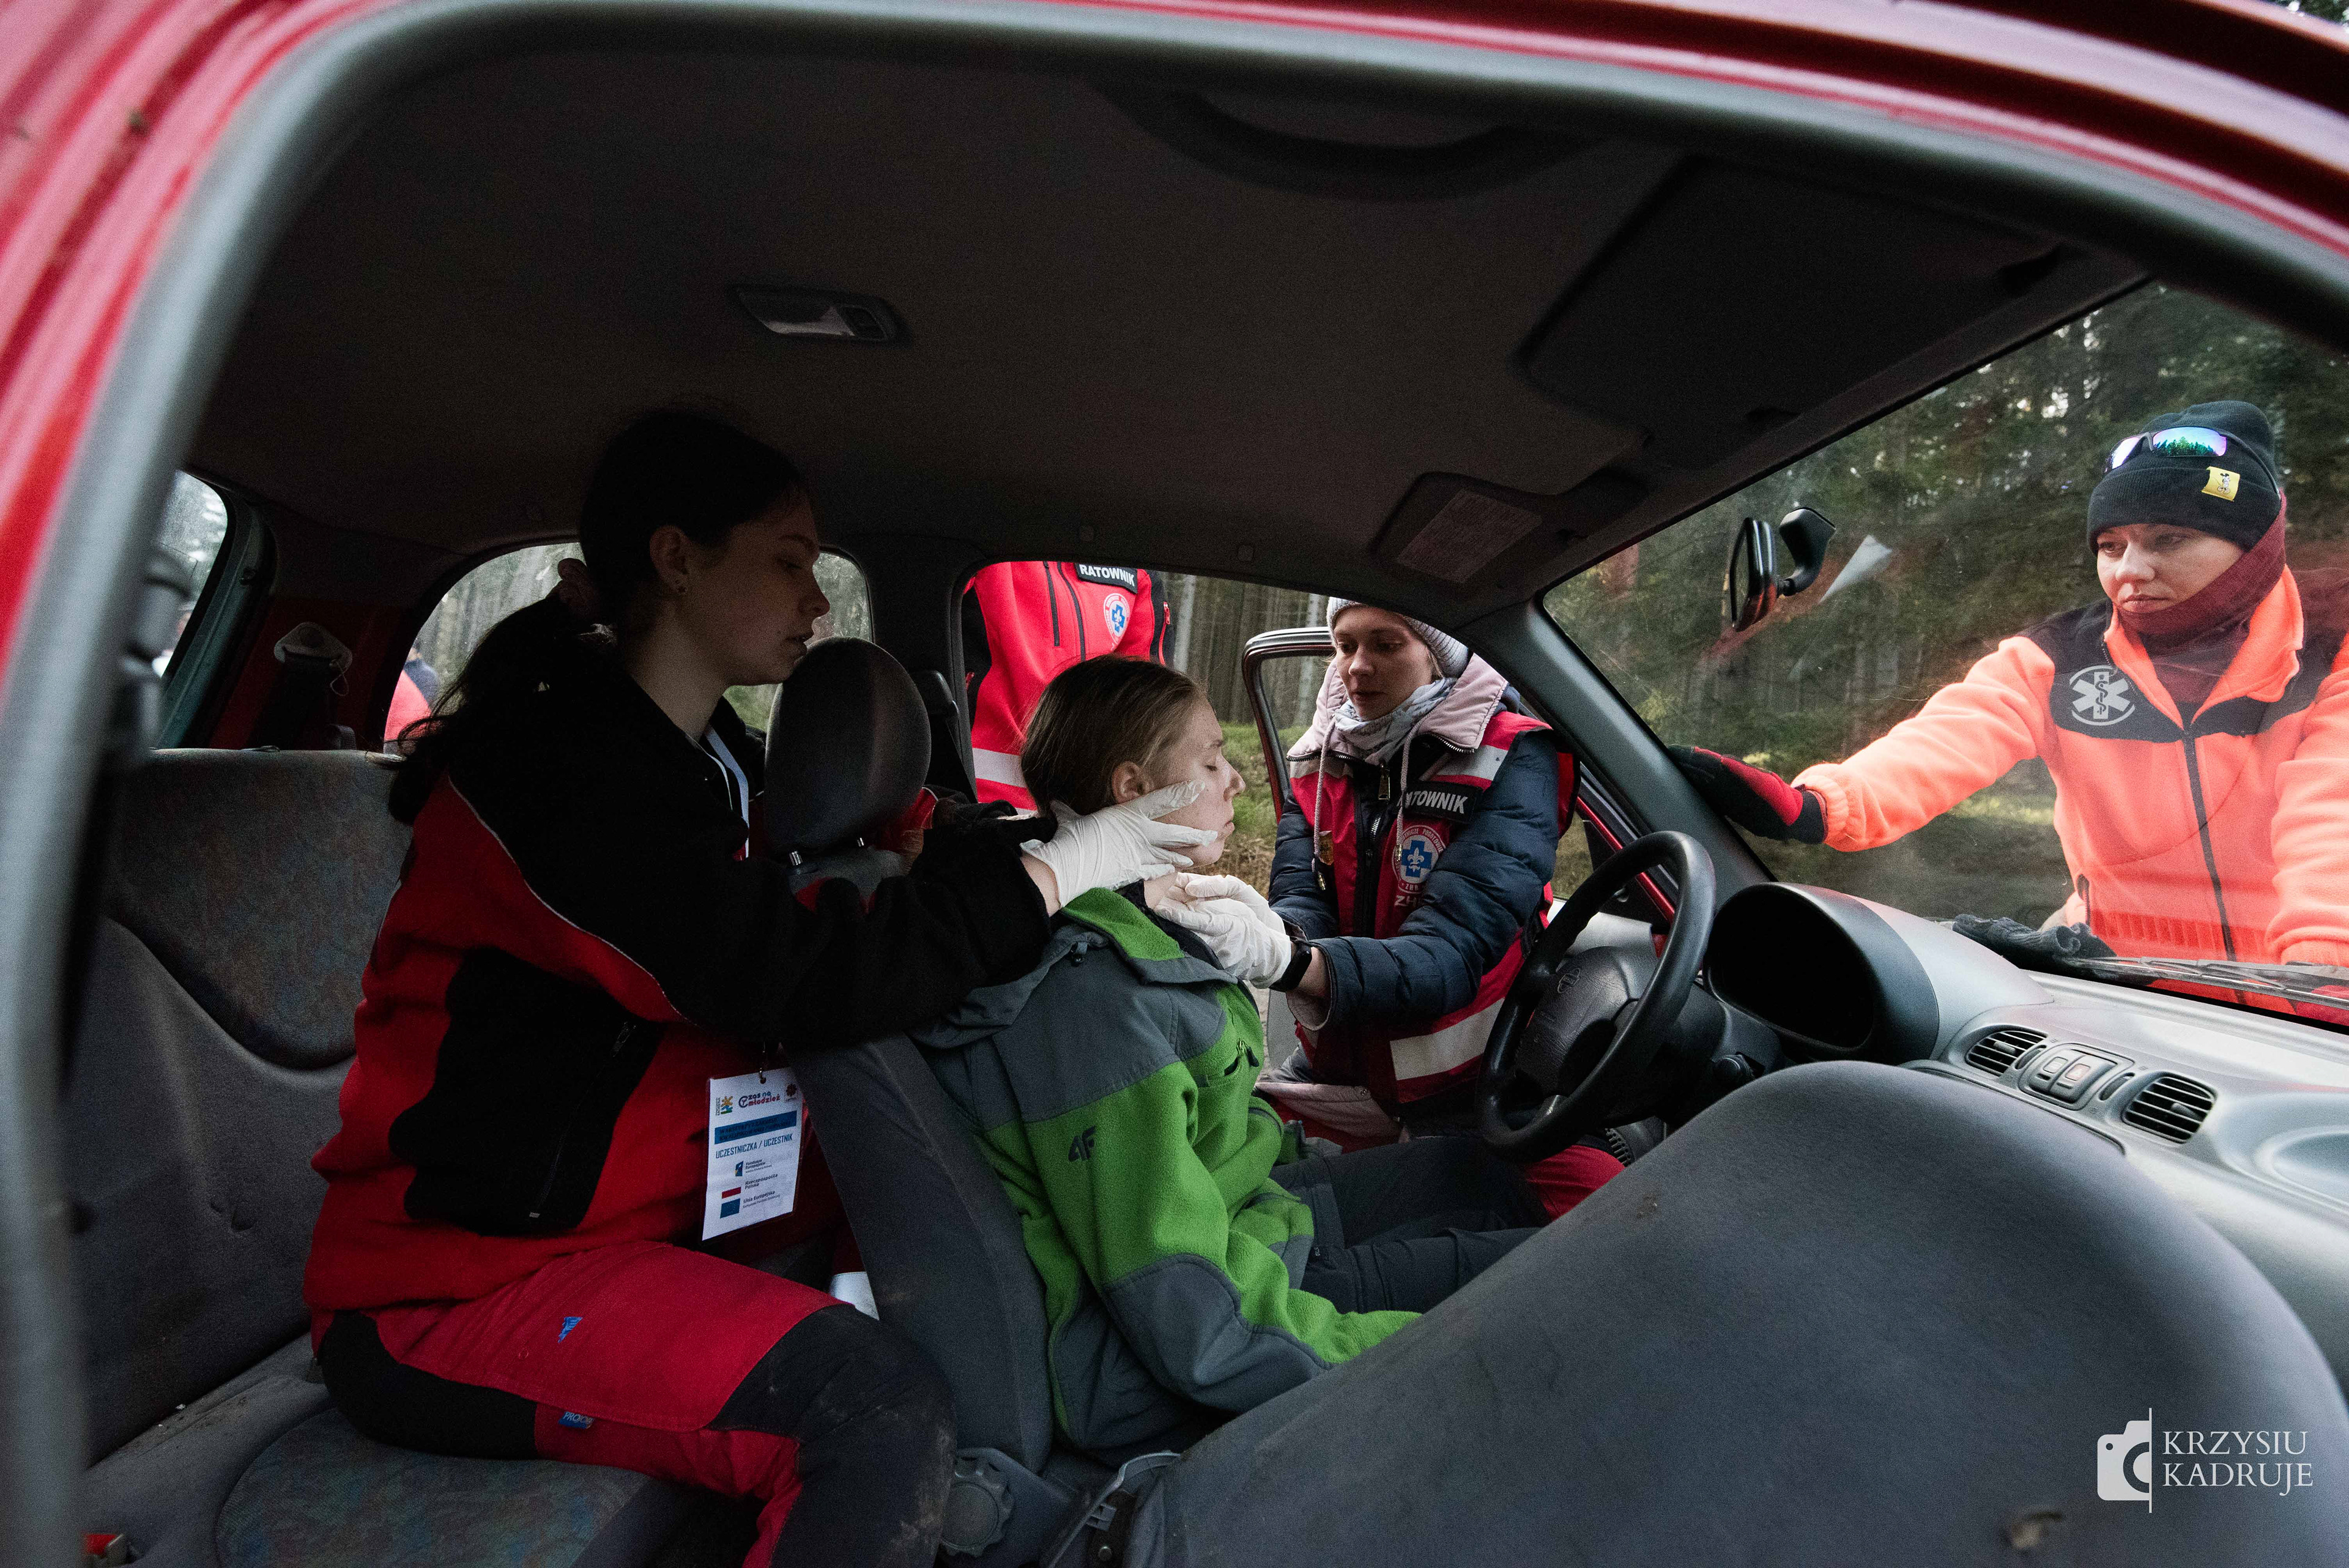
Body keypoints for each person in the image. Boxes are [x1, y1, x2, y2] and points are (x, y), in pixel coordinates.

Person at [302, 412, 1212, 1568]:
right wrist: (1060, 869)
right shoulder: (558, 775)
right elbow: (788, 969)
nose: (818, 600)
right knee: (872, 1409)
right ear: (677, 558)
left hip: (641, 1234)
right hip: (456, 1283)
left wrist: (1064, 846)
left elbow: (869, 884)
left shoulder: (714, 759)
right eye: (788, 562)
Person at [916, 658, 1552, 1453]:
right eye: (1213, 760)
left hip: (1237, 1219)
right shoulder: (1092, 1002)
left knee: (1478, 1174)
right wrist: (1410, 1358)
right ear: (1132, 788)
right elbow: (1194, 1320)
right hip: (1179, 1325)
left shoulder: (1134, 921)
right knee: (1540, 1299)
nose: (1238, 781)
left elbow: (1201, 1145)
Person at [1672, 401, 2349, 971]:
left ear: (2257, 543)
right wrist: (1823, 804)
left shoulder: (2334, 648)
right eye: (2110, 546)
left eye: (2167, 540)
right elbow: (1951, 736)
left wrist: (2322, 970)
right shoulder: (2060, 656)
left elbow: (2332, 815)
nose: (2128, 572)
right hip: (2124, 986)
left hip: (2289, 1002)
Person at [1255, 600, 1622, 1218]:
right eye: (1345, 646)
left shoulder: (1512, 755)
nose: (1357, 666)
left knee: (1605, 1208)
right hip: (1342, 1075)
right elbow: (1300, 894)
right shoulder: (1319, 757)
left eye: (1385, 645)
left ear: (1437, 655)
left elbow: (1451, 952)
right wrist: (1276, 936)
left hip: (1474, 1091)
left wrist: (1298, 964)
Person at [961, 559, 1170, 807]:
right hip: (962, 801)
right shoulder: (988, 550)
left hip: (1079, 816)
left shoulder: (1135, 568)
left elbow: (1148, 715)